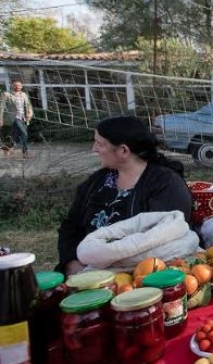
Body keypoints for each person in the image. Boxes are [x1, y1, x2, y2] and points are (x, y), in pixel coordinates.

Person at [56, 115, 192, 276]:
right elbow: (70, 226)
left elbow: (161, 241)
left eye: (99, 143)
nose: (94, 149)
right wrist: (71, 262)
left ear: (123, 151)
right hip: (84, 272)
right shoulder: (96, 182)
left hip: (142, 276)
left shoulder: (166, 184)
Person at [1, 79, 34, 157]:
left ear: (21, 86)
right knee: (24, 134)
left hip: (23, 118)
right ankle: (25, 153)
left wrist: (29, 113)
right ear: (12, 85)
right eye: (15, 85)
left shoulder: (24, 94)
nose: (17, 87)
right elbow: (1, 107)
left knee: (18, 136)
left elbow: (28, 105)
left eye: (19, 85)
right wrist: (1, 118)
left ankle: (8, 147)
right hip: (13, 117)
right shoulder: (6, 94)